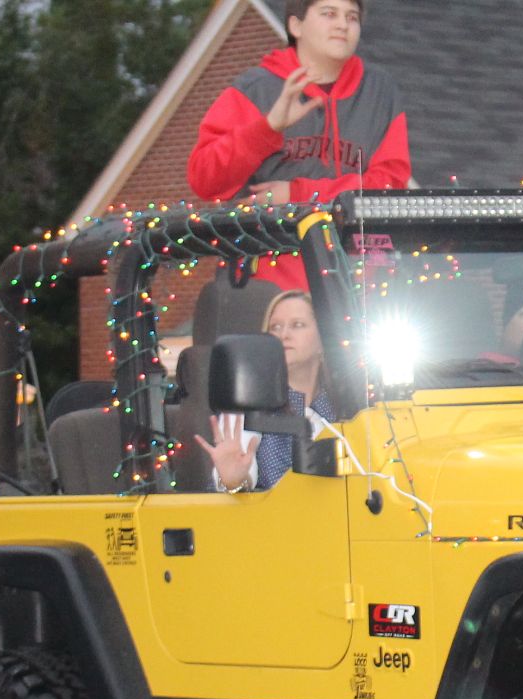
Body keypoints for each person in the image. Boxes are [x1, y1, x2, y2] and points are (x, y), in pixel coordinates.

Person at [186, 0, 410, 289]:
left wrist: (297, 194)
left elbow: (390, 187)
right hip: (270, 290)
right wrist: (268, 128)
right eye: (329, 14)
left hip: (360, 291)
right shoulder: (256, 89)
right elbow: (204, 179)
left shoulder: (380, 93)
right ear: (296, 25)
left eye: (351, 17)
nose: (343, 24)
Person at [195, 290, 336, 492]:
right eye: (275, 327)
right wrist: (233, 480)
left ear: (323, 340)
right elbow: (237, 484)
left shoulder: (347, 404)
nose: (284, 334)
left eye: (297, 325)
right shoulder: (245, 403)